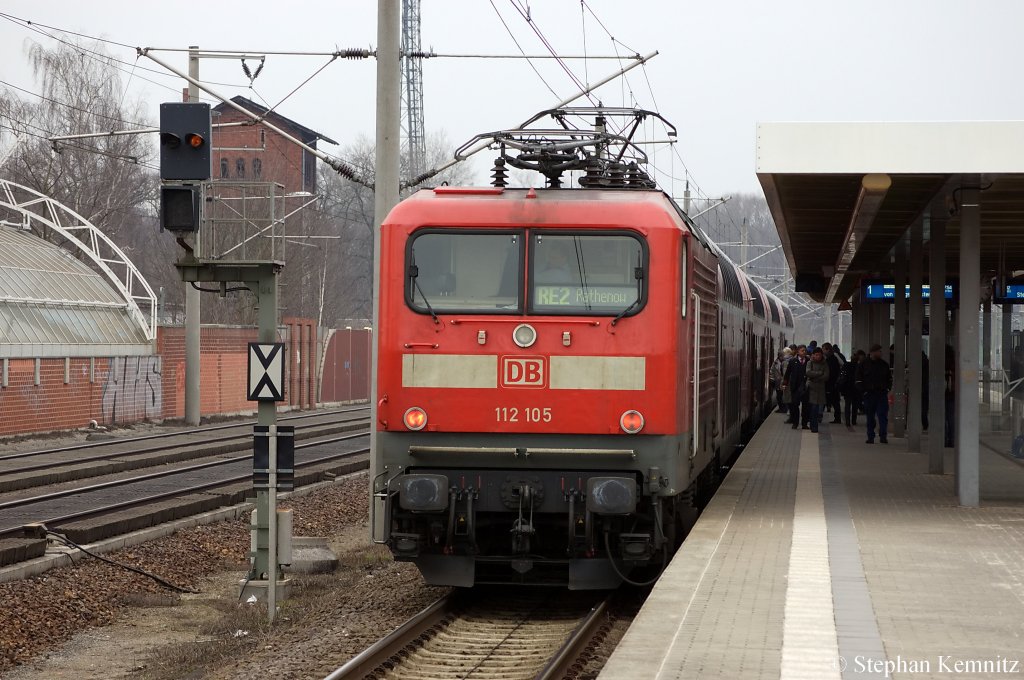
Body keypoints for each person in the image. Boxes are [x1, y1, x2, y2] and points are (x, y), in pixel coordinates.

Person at [856, 343, 892, 444]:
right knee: (870, 416)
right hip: (869, 394)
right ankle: (870, 436)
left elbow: (889, 379)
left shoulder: (884, 365)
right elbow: (858, 379)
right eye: (879, 351)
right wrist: (864, 391)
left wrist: (887, 388)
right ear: (873, 352)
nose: (881, 353)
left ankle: (883, 436)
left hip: (881, 393)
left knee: (882, 415)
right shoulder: (863, 364)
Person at [805, 347, 830, 433]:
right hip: (811, 389)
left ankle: (814, 426)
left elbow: (826, 376)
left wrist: (815, 377)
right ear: (813, 355)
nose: (818, 356)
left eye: (819, 355)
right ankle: (814, 427)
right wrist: (819, 373)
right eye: (816, 355)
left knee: (818, 409)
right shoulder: (810, 363)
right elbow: (808, 372)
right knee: (813, 408)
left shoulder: (824, 364)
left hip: (820, 389)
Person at [783, 345, 808, 429]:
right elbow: (787, 373)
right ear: (798, 351)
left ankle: (804, 424)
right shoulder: (793, 361)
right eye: (802, 350)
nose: (804, 352)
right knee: (794, 406)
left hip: (805, 387)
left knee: (805, 407)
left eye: (805, 351)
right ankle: (795, 423)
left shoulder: (808, 361)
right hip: (795, 387)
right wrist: (785, 383)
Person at [839, 350, 864, 428]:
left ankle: (847, 421)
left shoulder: (846, 365)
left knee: (847, 405)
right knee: (855, 405)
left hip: (847, 387)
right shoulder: (859, 366)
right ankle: (854, 420)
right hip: (856, 388)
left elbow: (842, 376)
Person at [822, 342, 843, 423]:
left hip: (831, 383)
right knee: (834, 401)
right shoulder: (831, 358)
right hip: (832, 383)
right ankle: (837, 418)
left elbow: (832, 372)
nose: (823, 351)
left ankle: (837, 418)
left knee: (834, 401)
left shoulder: (832, 359)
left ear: (827, 350)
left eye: (823, 349)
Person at [771, 348, 792, 413]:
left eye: (782, 355)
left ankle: (786, 408)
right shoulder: (775, 362)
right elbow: (772, 371)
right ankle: (781, 408)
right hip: (778, 382)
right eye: (780, 356)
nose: (782, 357)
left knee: (785, 396)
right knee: (779, 396)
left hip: (785, 382)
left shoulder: (787, 362)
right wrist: (772, 379)